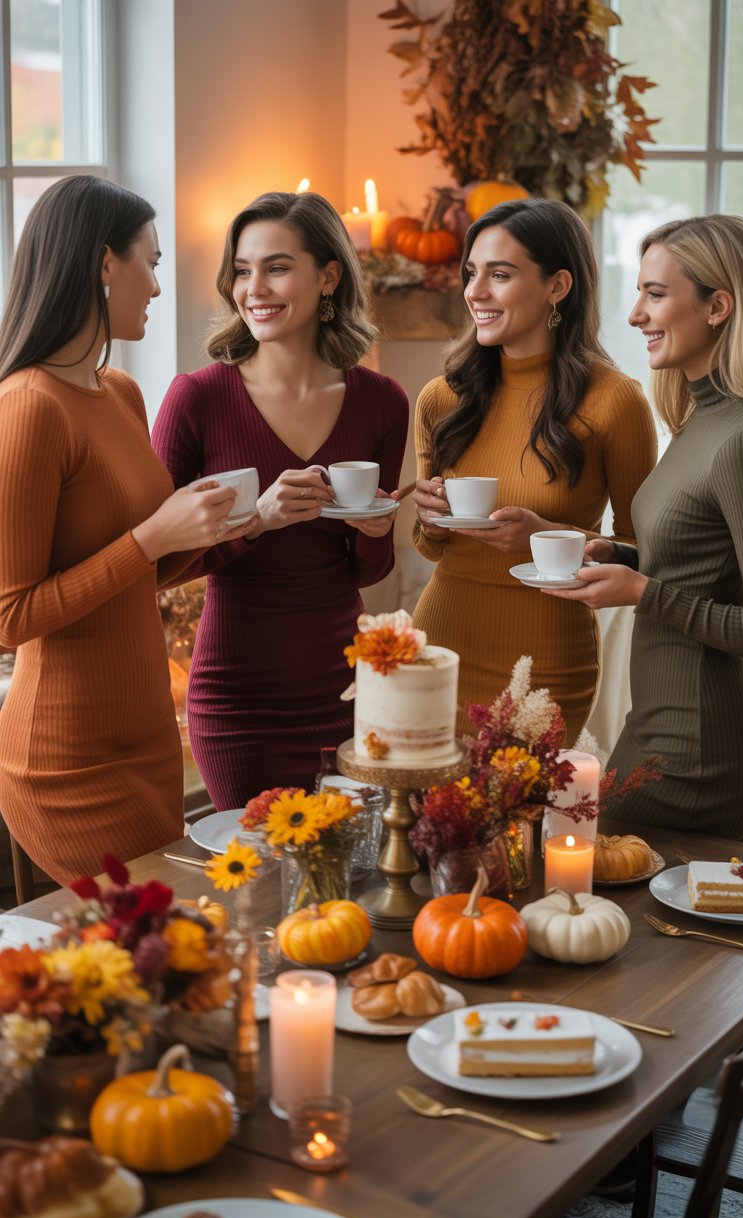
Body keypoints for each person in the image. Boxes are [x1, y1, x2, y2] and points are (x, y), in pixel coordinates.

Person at [0, 176, 247, 885]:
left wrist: (236, 526)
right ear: (106, 265)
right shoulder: (26, 409)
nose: (158, 288)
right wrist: (150, 537)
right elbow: (10, 617)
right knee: (161, 956)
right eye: (153, 263)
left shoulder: (121, 393)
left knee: (167, 969)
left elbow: (141, 570)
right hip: (65, 760)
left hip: (144, 745)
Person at [152, 190, 408, 807]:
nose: (254, 289)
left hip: (343, 690)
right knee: (256, 882)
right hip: (236, 698)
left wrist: (376, 534)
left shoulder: (382, 402)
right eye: (242, 271)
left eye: (276, 267)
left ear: (328, 277)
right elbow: (159, 563)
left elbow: (367, 570)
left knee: (347, 879)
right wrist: (254, 522)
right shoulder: (197, 399)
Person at [545, 214, 743, 838]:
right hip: (662, 725)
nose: (636, 314)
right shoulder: (702, 419)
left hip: (701, 749)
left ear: (719, 305)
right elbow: (704, 567)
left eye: (656, 294)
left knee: (580, 878)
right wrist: (623, 557)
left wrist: (643, 592)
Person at [411, 198, 657, 742]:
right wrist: (429, 519)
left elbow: (646, 551)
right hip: (441, 642)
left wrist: (543, 536)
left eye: (500, 274)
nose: (475, 291)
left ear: (557, 286)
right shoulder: (441, 399)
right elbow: (431, 548)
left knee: (525, 825)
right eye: (472, 273)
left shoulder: (615, 401)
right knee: (425, 823)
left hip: (547, 658)